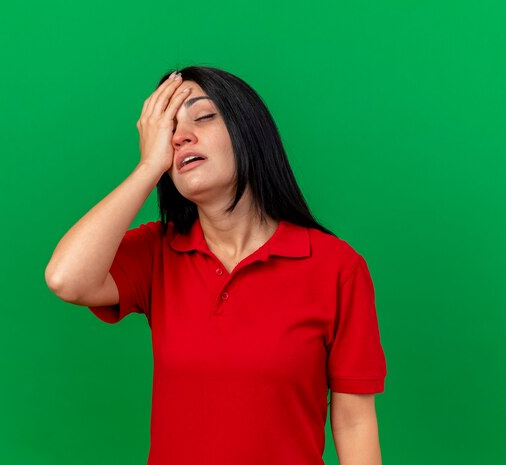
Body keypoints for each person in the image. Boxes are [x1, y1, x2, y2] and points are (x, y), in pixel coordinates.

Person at [45, 65, 387, 465]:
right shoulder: (158, 251)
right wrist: (147, 167)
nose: (180, 136)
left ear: (249, 132)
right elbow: (65, 278)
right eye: (167, 131)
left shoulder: (336, 267)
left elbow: (354, 422)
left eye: (203, 116)